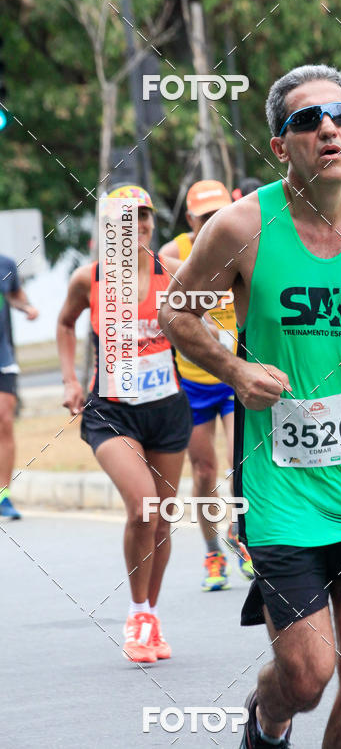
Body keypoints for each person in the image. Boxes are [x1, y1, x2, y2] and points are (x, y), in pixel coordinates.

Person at [159, 64, 341, 748]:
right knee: (306, 674)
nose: (329, 129)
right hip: (279, 486)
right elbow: (175, 309)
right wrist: (234, 368)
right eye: (306, 121)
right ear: (281, 145)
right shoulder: (242, 225)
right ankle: (267, 721)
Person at [57, 184, 193, 664]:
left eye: (143, 218)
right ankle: (137, 613)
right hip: (111, 413)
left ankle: (150, 617)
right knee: (143, 507)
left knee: (163, 521)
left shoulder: (174, 274)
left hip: (168, 410)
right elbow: (64, 323)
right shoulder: (87, 278)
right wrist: (71, 380)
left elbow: (215, 314)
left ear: (153, 224)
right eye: (123, 219)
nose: (134, 227)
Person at [160, 180, 253, 590]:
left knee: (243, 463)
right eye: (204, 218)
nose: (212, 223)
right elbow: (168, 275)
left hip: (232, 375)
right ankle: (213, 552)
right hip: (194, 384)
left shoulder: (244, 244)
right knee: (203, 471)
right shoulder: (173, 253)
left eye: (219, 214)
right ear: (190, 220)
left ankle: (240, 534)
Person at [0, 255, 38, 519]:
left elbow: (13, 294)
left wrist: (27, 307)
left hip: (3, 357)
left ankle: (3, 496)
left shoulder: (5, 264)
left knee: (4, 420)